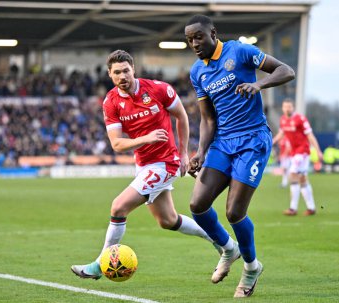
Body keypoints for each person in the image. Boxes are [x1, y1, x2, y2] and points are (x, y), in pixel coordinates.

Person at [71, 50, 221, 280]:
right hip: (144, 164)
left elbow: (181, 116)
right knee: (167, 220)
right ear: (110, 75)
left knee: (118, 207)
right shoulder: (110, 102)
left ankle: (99, 266)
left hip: (166, 162)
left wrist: (183, 153)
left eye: (126, 71)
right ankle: (220, 240)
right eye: (117, 72)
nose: (123, 76)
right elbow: (117, 144)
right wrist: (146, 138)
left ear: (134, 70)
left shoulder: (159, 89)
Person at [184, 15, 295, 298]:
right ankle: (228, 249)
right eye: (189, 40)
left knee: (234, 212)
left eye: (198, 37)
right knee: (197, 205)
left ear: (213, 33)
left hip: (253, 139)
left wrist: (259, 85)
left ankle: (251, 267)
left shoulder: (240, 51)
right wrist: (200, 152)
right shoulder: (198, 72)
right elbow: (208, 119)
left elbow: (286, 70)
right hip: (222, 142)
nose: (194, 43)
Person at [273, 98, 323, 216]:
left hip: (303, 152)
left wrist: (318, 150)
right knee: (302, 178)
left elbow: (310, 136)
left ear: (293, 107)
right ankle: (311, 208)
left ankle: (292, 208)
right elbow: (282, 133)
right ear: (282, 108)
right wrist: (272, 141)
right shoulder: (283, 119)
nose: (287, 109)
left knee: (293, 174)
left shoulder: (300, 119)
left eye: (289, 106)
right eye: (285, 106)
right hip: (294, 153)